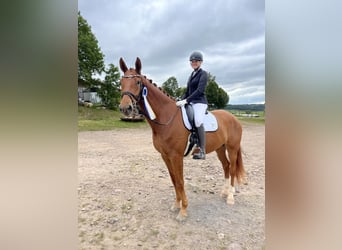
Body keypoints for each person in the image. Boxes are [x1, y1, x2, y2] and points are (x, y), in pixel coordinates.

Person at [176, 51, 208, 160]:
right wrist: (181, 99)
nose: (194, 63)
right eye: (192, 61)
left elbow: (200, 90)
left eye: (196, 61)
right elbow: (188, 90)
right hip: (191, 102)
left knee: (198, 120)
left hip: (200, 102)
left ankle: (202, 150)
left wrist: (187, 100)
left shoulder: (203, 74)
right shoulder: (191, 75)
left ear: (201, 62)